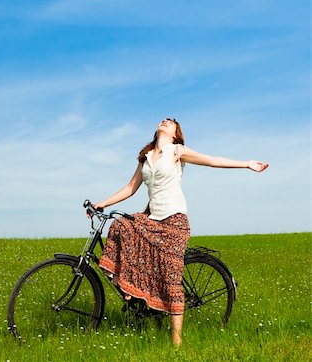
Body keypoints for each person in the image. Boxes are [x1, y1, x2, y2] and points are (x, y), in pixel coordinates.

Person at [94, 118, 269, 347]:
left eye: (171, 122)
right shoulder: (145, 158)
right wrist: (102, 203)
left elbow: (212, 160)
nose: (166, 121)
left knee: (171, 277)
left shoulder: (176, 151)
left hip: (175, 222)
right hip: (153, 218)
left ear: (176, 134)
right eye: (164, 120)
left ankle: (176, 338)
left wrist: (246, 164)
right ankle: (131, 287)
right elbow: (130, 188)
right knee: (121, 225)